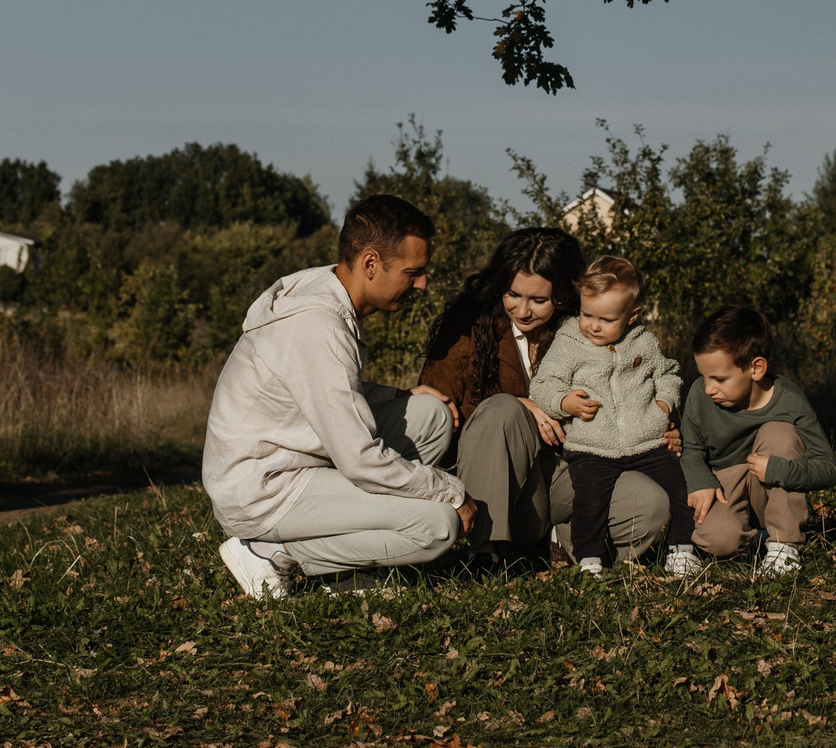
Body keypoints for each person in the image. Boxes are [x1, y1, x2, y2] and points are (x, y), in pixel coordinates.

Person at [203, 193, 478, 599]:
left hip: (294, 457)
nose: (422, 284)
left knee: (431, 415)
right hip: (263, 487)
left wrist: (399, 393)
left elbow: (322, 390)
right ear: (371, 263)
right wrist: (451, 492)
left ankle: (347, 564)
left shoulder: (333, 289)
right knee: (438, 525)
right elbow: (361, 459)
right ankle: (271, 554)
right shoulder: (318, 324)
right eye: (413, 272)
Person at [415, 229, 676, 563]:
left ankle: (562, 545)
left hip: (573, 474)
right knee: (502, 409)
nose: (523, 310)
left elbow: (637, 391)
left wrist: (662, 424)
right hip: (495, 488)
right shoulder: (467, 326)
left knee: (650, 505)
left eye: (538, 300)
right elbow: (436, 415)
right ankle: (485, 553)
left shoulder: (589, 326)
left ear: (563, 296)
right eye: (513, 294)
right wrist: (519, 406)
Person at [528, 256, 700, 577]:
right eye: (586, 315)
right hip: (591, 445)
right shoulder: (569, 342)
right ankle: (589, 560)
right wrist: (564, 403)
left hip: (647, 440)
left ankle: (681, 550)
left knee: (679, 486)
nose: (593, 326)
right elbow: (543, 384)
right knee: (590, 500)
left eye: (606, 319)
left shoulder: (643, 342)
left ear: (632, 315)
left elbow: (668, 374)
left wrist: (664, 403)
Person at [680, 304, 836, 577]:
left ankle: (783, 548)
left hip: (768, 486)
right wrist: (700, 480)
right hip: (724, 486)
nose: (708, 389)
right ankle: (751, 540)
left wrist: (779, 469)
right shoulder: (699, 395)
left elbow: (829, 468)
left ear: (756, 368)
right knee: (718, 541)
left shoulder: (789, 402)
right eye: (704, 377)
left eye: (719, 379)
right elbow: (691, 448)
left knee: (780, 433)